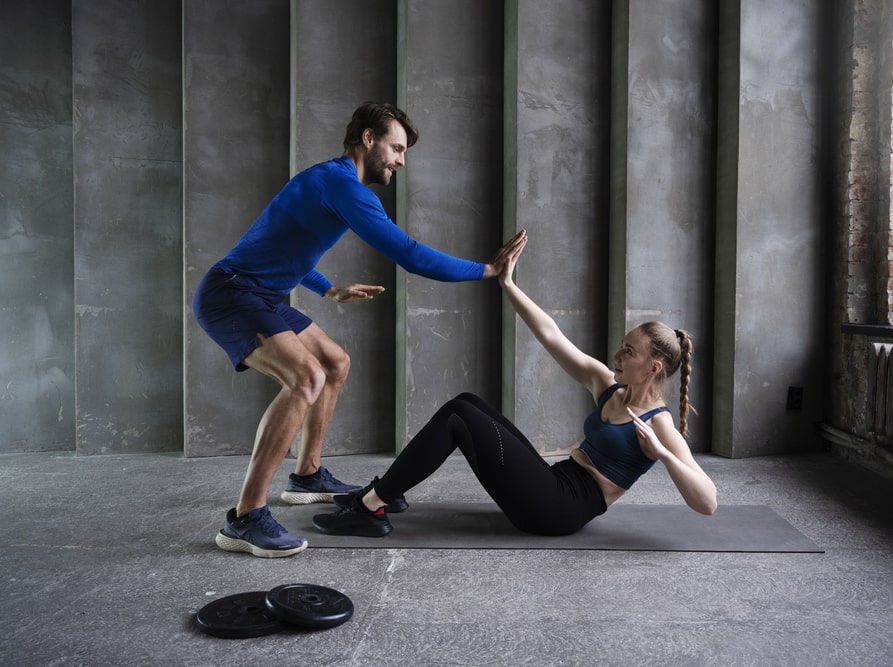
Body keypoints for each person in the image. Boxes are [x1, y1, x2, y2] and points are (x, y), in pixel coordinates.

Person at [193, 102, 528, 558]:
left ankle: (307, 476)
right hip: (232, 294)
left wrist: (328, 288)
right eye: (396, 147)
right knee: (306, 377)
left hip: (259, 294)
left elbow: (282, 245)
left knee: (333, 362)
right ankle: (246, 518)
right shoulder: (344, 186)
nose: (400, 160)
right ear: (368, 139)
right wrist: (488, 270)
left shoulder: (326, 180)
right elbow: (409, 254)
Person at [314, 233, 717, 538]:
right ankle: (390, 490)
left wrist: (663, 454)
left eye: (629, 352)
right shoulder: (608, 385)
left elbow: (708, 503)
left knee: (460, 416)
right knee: (467, 401)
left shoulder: (659, 424)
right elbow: (553, 336)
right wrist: (508, 285)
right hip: (555, 482)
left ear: (653, 367)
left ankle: (372, 505)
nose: (618, 355)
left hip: (559, 511)